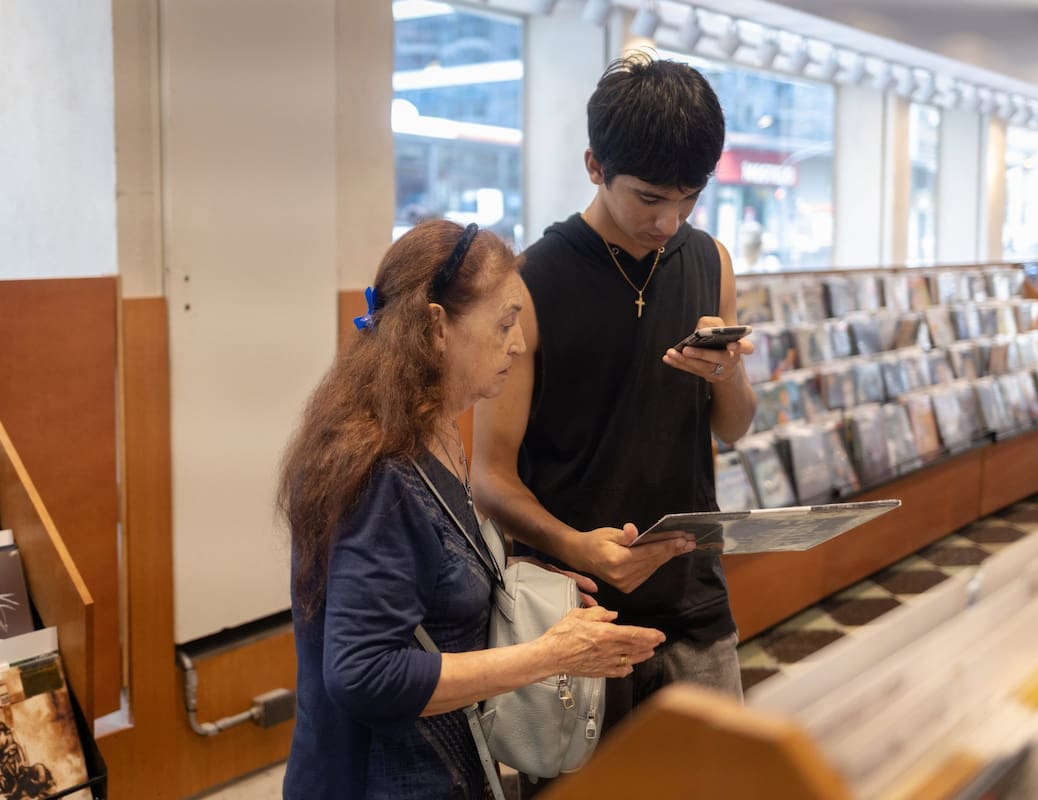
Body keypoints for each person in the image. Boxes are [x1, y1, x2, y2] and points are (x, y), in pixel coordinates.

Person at [278, 220, 665, 799]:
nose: (518, 343)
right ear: (437, 327)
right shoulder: (383, 471)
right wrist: (546, 656)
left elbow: (429, 574)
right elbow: (363, 674)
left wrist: (530, 588)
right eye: (505, 322)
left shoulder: (433, 428)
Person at [471, 52, 757, 781]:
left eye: (690, 198)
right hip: (578, 612)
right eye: (651, 198)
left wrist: (730, 372)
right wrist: (577, 544)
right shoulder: (530, 282)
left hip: (695, 598)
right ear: (595, 165)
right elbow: (489, 477)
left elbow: (734, 427)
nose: (671, 221)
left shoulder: (711, 260)